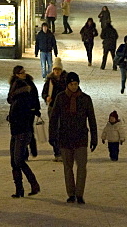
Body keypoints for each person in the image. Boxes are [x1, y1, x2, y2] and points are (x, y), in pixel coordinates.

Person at [49, 72, 97, 204]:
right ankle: (71, 193)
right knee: (68, 167)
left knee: (82, 167)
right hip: (65, 137)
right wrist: (52, 136)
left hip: (81, 137)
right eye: (71, 84)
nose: (74, 86)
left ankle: (79, 194)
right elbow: (54, 118)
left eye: (76, 84)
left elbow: (92, 119)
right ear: (67, 85)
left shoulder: (86, 99)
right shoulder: (60, 98)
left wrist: (94, 138)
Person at [7, 65, 41, 198]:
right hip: (16, 131)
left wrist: (15, 119)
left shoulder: (23, 98)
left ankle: (34, 183)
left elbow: (26, 114)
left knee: (18, 160)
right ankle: (19, 189)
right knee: (14, 161)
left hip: (21, 131)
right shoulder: (16, 98)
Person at [42, 57, 68, 160]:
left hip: (63, 108)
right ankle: (57, 152)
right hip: (52, 107)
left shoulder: (66, 80)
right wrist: (46, 97)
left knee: (62, 129)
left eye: (58, 70)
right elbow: (44, 92)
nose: (57, 71)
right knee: (54, 129)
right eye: (55, 70)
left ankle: (63, 152)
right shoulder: (49, 81)